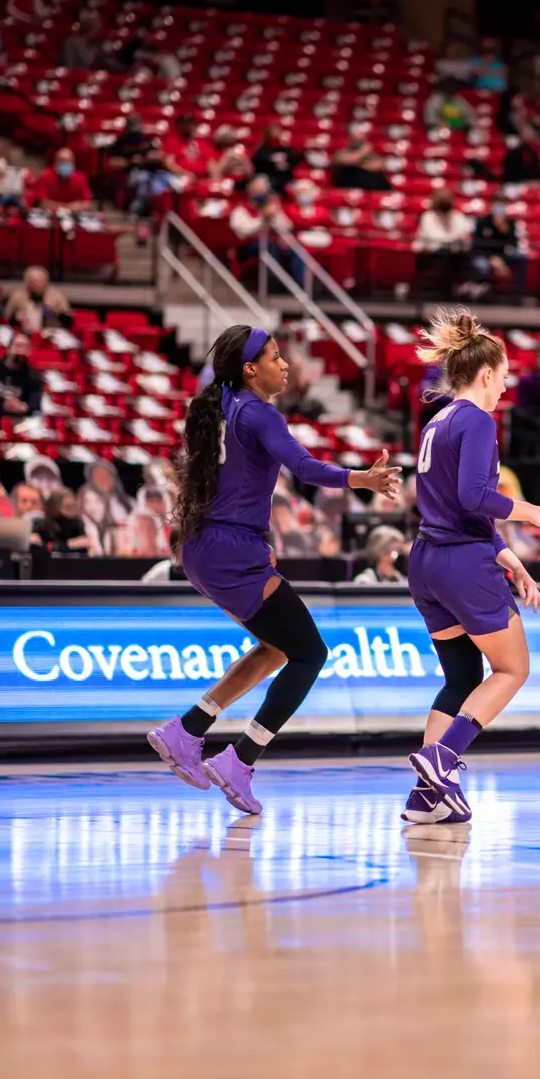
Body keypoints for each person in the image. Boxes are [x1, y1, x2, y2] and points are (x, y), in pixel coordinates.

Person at [147, 325, 403, 814]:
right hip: (231, 550)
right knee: (310, 653)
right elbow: (304, 468)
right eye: (274, 357)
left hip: (202, 545)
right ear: (250, 369)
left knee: (276, 649)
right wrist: (362, 479)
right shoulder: (260, 413)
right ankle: (239, 760)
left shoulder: (219, 405)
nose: (284, 364)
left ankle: (188, 730)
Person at [401, 309, 540, 825]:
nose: (506, 386)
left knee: (460, 678)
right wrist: (534, 512)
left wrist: (512, 559)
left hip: (426, 561)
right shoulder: (477, 419)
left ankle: (426, 798)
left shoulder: (438, 421)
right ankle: (443, 758)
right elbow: (475, 497)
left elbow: (453, 506)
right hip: (462, 565)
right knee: (513, 669)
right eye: (505, 376)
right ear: (487, 373)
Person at [4, 265, 72, 332]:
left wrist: (55, 313)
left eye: (40, 281)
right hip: (24, 333)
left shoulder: (57, 296)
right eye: (34, 281)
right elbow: (7, 317)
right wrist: (17, 318)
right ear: (27, 282)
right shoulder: (18, 296)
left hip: (52, 332)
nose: (37, 284)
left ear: (46, 281)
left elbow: (68, 320)